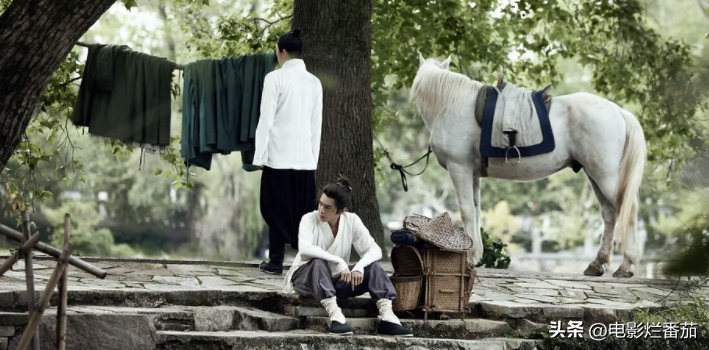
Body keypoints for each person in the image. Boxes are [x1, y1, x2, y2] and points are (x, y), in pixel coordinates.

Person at [282, 177, 414, 337]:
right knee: (318, 262)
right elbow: (305, 250)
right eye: (320, 204)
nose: (321, 210)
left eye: (328, 207)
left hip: (335, 280)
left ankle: (387, 318)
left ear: (342, 210)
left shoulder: (352, 220)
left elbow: (375, 250)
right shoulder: (309, 219)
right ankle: (336, 317)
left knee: (373, 268)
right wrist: (338, 261)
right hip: (306, 279)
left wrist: (358, 267)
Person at [253, 27, 323, 275]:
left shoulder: (274, 78)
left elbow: (266, 120)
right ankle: (306, 262)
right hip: (304, 158)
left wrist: (259, 156)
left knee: (274, 208)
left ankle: (276, 260)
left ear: (282, 52)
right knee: (305, 213)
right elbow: (317, 125)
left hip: (277, 156)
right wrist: (313, 159)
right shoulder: (315, 82)